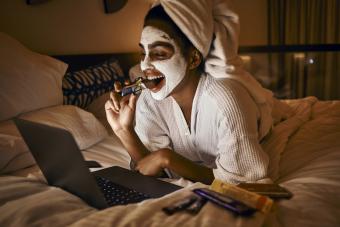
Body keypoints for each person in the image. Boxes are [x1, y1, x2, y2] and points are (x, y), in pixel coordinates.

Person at [105, 0, 274, 185]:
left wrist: (168, 158)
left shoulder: (226, 100)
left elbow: (241, 179)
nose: (145, 65)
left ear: (193, 58)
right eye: (142, 53)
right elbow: (149, 168)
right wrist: (123, 130)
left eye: (159, 53)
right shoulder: (148, 101)